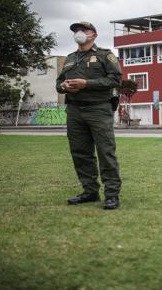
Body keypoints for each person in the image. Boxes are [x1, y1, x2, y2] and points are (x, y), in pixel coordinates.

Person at [55, 21, 123, 209]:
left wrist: (87, 84)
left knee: (105, 151)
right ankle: (90, 191)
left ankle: (111, 195)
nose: (79, 33)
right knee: (80, 152)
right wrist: (64, 86)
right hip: (75, 110)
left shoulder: (104, 55)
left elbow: (115, 79)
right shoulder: (69, 59)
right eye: (76, 31)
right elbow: (59, 83)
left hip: (98, 109)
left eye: (83, 30)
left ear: (94, 35)